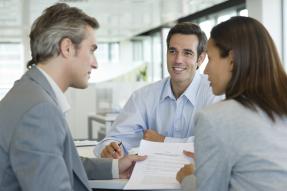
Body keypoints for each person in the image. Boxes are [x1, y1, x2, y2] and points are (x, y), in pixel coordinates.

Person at [0, 3, 146, 191]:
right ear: (67, 48)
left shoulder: (29, 93)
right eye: (91, 50)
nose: (95, 63)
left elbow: (62, 161)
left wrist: (116, 166)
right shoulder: (39, 111)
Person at [176, 16, 287, 191]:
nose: (205, 71)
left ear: (232, 60)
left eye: (211, 59)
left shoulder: (214, 119)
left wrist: (188, 177)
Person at [94, 22, 223, 159]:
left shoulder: (214, 93)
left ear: (200, 59)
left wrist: (163, 141)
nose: (178, 60)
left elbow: (216, 144)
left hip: (198, 177)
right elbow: (116, 138)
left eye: (187, 53)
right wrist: (110, 148)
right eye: (172, 51)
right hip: (151, 176)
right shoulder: (143, 96)